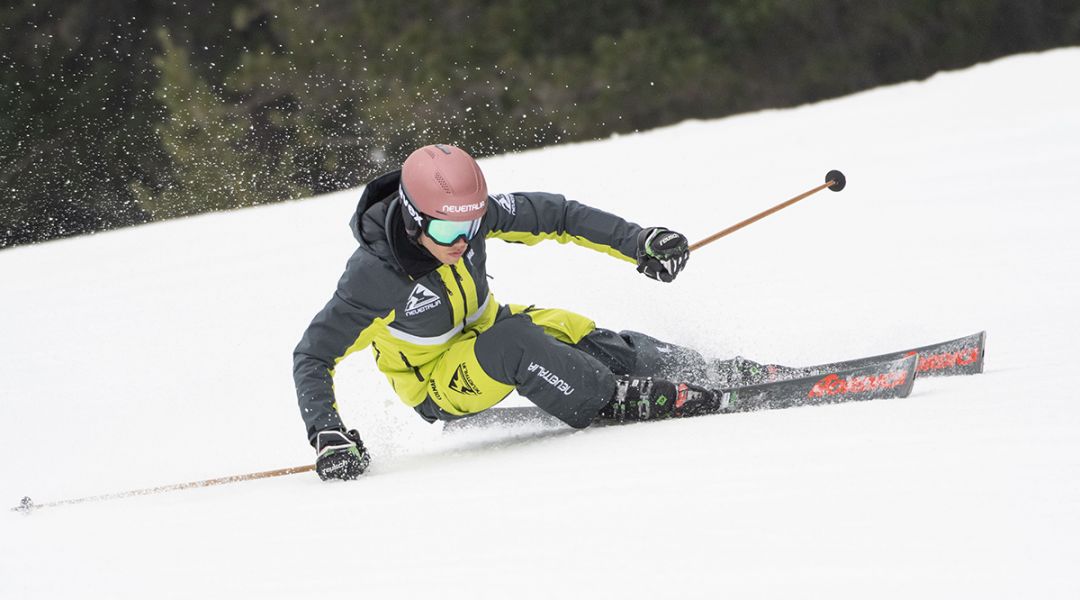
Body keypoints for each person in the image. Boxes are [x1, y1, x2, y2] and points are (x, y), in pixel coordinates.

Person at [294, 144, 732, 481]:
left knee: (570, 329)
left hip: (487, 330)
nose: (462, 241)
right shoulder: (374, 277)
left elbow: (557, 216)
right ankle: (607, 397)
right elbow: (313, 354)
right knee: (514, 344)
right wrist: (327, 433)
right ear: (413, 218)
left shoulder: (465, 220)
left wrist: (638, 241)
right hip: (438, 383)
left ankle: (696, 369)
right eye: (448, 229)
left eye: (471, 225)